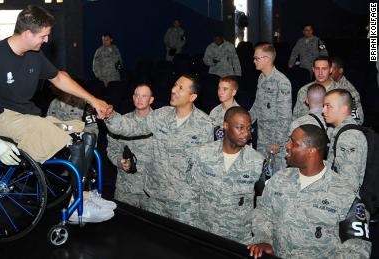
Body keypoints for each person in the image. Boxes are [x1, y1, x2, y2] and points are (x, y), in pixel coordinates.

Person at [0, 5, 114, 223]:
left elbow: (59, 77)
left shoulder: (34, 54)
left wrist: (94, 100)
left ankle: (83, 194)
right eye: (44, 35)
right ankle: (74, 204)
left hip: (25, 116)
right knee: (50, 133)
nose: (47, 40)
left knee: (83, 135)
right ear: (27, 34)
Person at [248, 124, 371, 259]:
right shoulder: (280, 179)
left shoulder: (345, 194)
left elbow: (358, 247)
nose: (287, 146)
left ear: (311, 151)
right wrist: (264, 240)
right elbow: (263, 213)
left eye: (294, 143)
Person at [104, 74, 214, 224]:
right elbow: (131, 127)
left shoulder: (204, 124)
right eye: (175, 85)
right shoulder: (161, 115)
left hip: (184, 201)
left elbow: (206, 164)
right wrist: (110, 115)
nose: (174, 90)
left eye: (180, 88)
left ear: (192, 96)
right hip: (155, 197)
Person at [186, 107, 263, 244]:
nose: (246, 133)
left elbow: (262, 207)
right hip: (204, 234)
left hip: (238, 240)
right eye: (240, 127)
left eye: (248, 128)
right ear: (225, 126)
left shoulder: (257, 162)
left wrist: (260, 239)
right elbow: (190, 194)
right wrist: (188, 231)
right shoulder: (203, 154)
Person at [106, 84, 154, 208]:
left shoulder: (160, 123)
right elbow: (112, 149)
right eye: (137, 95)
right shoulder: (120, 123)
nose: (139, 99)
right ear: (133, 98)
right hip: (126, 188)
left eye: (144, 96)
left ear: (151, 100)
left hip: (151, 190)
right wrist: (119, 161)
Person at [249, 43, 292, 171]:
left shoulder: (282, 82)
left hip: (276, 140)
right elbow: (257, 106)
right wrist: (245, 121)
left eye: (257, 58)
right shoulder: (261, 78)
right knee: (261, 173)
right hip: (262, 137)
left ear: (267, 59)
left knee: (278, 176)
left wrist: (278, 142)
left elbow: (285, 116)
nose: (254, 61)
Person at [293, 56, 363, 124]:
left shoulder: (345, 92)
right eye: (317, 68)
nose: (320, 72)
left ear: (330, 70)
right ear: (313, 70)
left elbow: (357, 120)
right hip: (309, 133)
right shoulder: (304, 91)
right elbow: (295, 117)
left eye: (324, 69)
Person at [323, 89, 367, 192]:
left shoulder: (349, 137)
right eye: (323, 106)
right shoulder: (340, 131)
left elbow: (349, 185)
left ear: (343, 109)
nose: (323, 110)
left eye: (328, 106)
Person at [330, 57, 364, 125]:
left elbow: (357, 120)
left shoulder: (350, 92)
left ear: (340, 71)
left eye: (331, 70)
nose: (328, 72)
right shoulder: (324, 84)